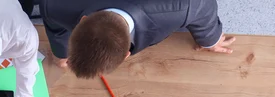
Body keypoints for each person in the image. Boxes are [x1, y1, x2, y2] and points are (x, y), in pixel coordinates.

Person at [39, 0, 236, 78]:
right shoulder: (54, 4)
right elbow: (53, 22)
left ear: (126, 55)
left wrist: (210, 38)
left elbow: (203, 6)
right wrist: (61, 51)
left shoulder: (182, 6)